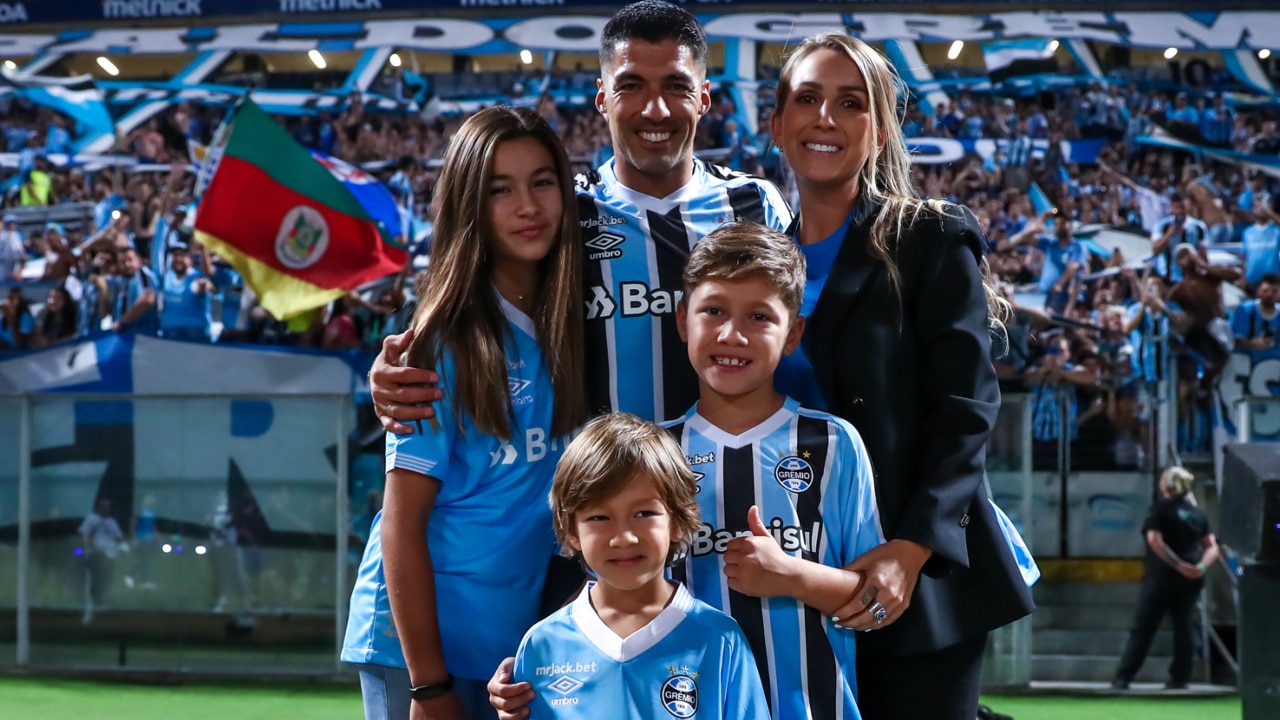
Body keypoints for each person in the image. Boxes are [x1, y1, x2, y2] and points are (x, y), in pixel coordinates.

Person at [763, 32, 1033, 720]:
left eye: (850, 103)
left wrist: (910, 550)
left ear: (880, 131)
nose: (825, 117)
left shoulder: (930, 237)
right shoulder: (758, 263)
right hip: (789, 574)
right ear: (777, 124)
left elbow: (966, 410)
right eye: (807, 98)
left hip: (912, 576)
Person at [341, 106, 584, 720]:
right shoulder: (440, 341)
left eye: (542, 181)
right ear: (469, 206)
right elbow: (400, 525)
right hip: (416, 647)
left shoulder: (580, 321)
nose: (527, 205)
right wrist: (428, 685)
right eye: (499, 190)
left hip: (509, 644)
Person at [664, 224, 883, 719]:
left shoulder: (833, 444)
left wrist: (793, 576)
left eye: (759, 316)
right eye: (713, 310)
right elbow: (612, 595)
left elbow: (877, 601)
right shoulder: (656, 453)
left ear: (793, 333)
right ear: (683, 320)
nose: (731, 334)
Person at [512, 412, 769, 719]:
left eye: (644, 513)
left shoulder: (720, 639)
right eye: (598, 518)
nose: (623, 538)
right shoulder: (541, 644)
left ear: (677, 521)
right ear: (571, 532)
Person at [1112, 467, 1218, 690]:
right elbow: (1211, 546)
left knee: (1144, 626)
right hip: (1191, 578)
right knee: (1185, 626)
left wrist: (1177, 565)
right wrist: (1199, 567)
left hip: (1162, 576)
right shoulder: (1197, 512)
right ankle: (1181, 677)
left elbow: (1155, 540)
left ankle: (1124, 676)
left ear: (1167, 485)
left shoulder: (1160, 509)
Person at [79, 497, 125, 624]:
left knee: (106, 578)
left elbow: (119, 537)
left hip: (109, 554)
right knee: (95, 578)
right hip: (96, 554)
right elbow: (84, 534)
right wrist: (89, 547)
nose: (106, 509)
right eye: (103, 507)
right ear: (98, 507)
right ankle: (93, 603)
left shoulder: (111, 521)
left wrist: (119, 548)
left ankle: (100, 600)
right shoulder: (92, 519)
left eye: (108, 507)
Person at [159, 245, 213, 342]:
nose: (178, 259)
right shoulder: (168, 277)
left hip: (193, 334)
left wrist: (202, 286)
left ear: (190, 260)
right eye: (175, 255)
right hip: (169, 333)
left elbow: (203, 286)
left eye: (182, 255)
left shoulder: (196, 276)